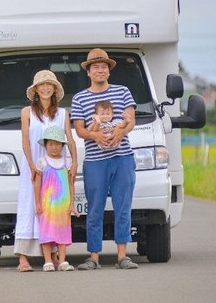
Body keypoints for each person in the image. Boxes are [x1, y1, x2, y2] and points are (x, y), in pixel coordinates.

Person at [71, 48, 139, 270]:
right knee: (94, 209)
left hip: (122, 158)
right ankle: (94, 256)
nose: (100, 70)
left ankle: (122, 256)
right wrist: (96, 136)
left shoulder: (123, 92)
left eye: (104, 67)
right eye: (95, 67)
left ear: (109, 71)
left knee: (123, 207)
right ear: (88, 72)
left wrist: (120, 131)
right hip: (95, 161)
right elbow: (80, 130)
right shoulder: (80, 98)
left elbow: (130, 120)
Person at [15, 70, 79, 272]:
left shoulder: (62, 113)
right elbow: (25, 140)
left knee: (54, 208)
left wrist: (74, 163)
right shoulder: (27, 112)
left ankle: (54, 256)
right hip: (34, 166)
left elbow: (70, 139)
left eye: (49, 84)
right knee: (30, 204)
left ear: (54, 89)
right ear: (35, 90)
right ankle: (23, 257)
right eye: (41, 85)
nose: (45, 88)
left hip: (57, 168)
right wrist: (32, 165)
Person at [33, 125, 79, 272]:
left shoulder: (67, 162)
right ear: (46, 145)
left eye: (58, 144)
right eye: (51, 144)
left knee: (62, 232)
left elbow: (71, 184)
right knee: (46, 231)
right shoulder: (42, 162)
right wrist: (37, 203)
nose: (54, 147)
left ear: (62, 146)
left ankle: (62, 260)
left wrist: (72, 204)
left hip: (63, 205)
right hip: (47, 204)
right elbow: (37, 184)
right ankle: (48, 261)